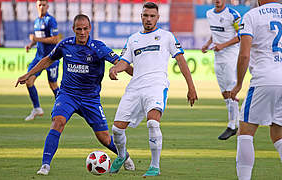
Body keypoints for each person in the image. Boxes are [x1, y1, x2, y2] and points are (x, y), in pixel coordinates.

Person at [16, 14, 135, 176]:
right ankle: (45, 165)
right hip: (68, 95)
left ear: (90, 29)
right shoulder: (65, 45)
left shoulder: (98, 47)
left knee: (105, 138)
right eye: (79, 29)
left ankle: (125, 155)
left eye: (85, 28)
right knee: (58, 122)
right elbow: (48, 59)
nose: (82, 32)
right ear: (73, 29)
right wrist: (28, 74)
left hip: (90, 99)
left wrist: (136, 75)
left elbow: (121, 62)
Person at [108, 2, 198, 177]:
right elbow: (125, 62)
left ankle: (155, 166)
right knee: (117, 130)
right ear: (141, 17)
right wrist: (114, 69)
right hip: (134, 87)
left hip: (156, 85)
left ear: (158, 18)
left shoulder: (167, 36)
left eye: (152, 16)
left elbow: (181, 61)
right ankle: (121, 155)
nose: (148, 19)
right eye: (145, 15)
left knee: (153, 122)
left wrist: (191, 87)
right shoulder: (133, 39)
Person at [230, 0, 282, 179]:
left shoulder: (252, 15)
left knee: (245, 131)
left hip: (264, 79)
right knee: (278, 133)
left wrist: (238, 84)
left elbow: (244, 54)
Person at [202, 0, 241, 140]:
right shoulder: (209, 14)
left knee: (231, 90)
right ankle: (237, 121)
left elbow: (241, 35)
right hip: (218, 56)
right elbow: (215, 32)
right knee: (224, 92)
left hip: (231, 56)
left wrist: (223, 45)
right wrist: (207, 44)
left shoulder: (233, 14)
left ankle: (232, 125)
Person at [24, 0, 60, 121]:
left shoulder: (50, 20)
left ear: (47, 6)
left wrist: (36, 39)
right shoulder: (37, 21)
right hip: (39, 58)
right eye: (39, 5)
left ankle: (62, 109)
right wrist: (31, 44)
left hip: (51, 58)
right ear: (36, 6)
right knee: (29, 81)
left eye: (44, 5)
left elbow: (55, 39)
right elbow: (38, 38)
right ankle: (37, 108)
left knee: (53, 85)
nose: (42, 7)